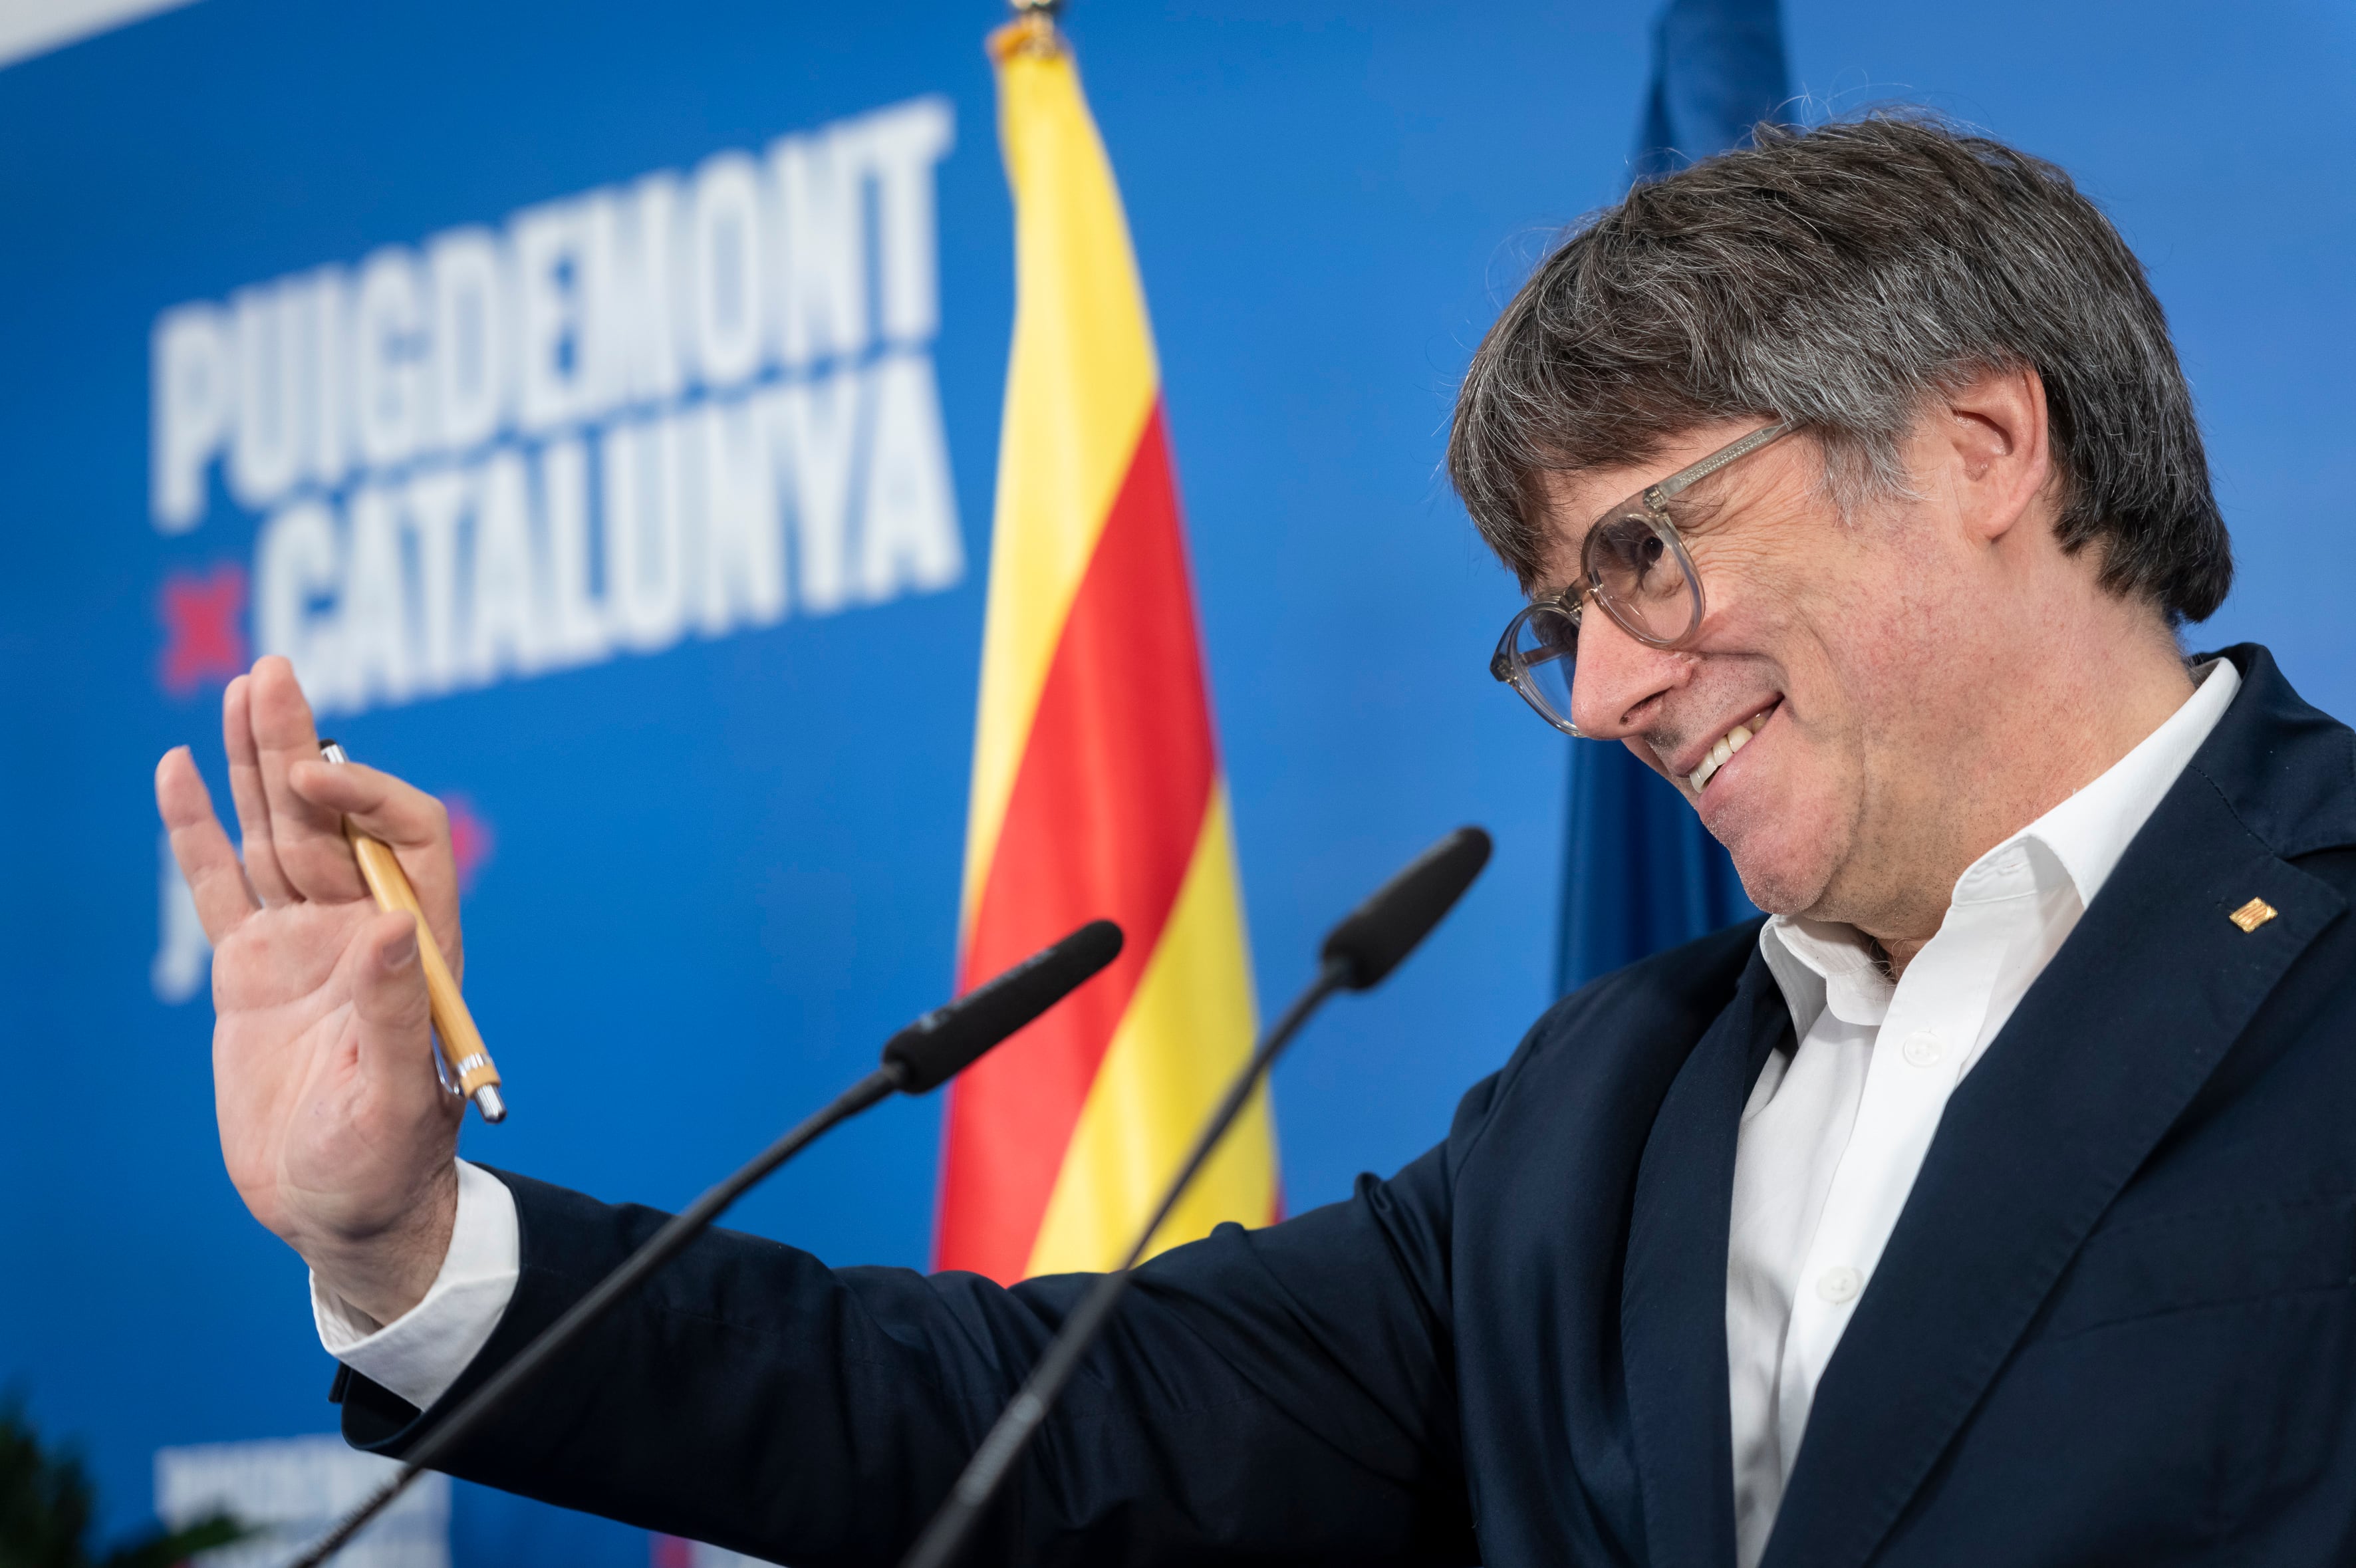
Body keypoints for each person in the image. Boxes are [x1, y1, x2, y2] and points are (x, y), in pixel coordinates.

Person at [157, 115, 2356, 1567]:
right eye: (1560, 627)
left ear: (1978, 444)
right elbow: (1016, 1423)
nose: (1598, 698)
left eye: (1648, 557)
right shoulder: (1603, 1114)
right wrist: (406, 1236)